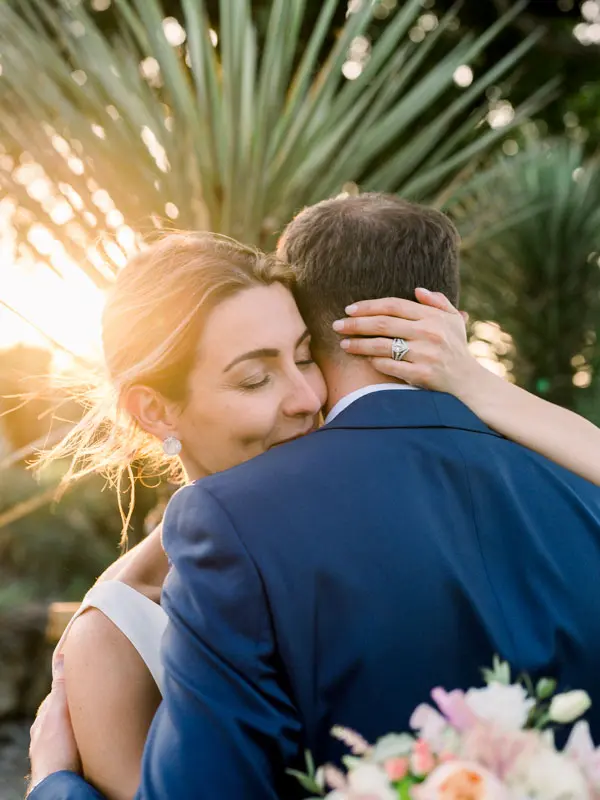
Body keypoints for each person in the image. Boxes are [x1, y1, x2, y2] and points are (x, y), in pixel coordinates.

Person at [28, 195, 600, 800]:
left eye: (306, 356)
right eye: (254, 377)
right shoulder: (124, 619)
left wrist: (53, 783)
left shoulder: (232, 528)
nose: (305, 396)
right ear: (154, 410)